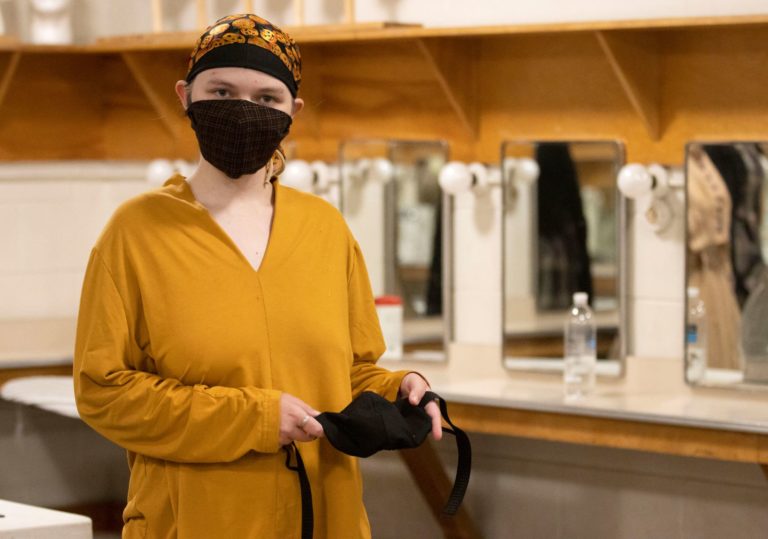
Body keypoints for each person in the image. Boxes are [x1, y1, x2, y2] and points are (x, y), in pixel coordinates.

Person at [73, 13, 441, 538]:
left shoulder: (325, 230)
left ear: (294, 111)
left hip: (323, 520)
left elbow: (350, 373)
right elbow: (102, 392)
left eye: (267, 98)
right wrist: (252, 418)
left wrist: (397, 388)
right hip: (196, 523)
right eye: (221, 91)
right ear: (185, 96)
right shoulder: (135, 233)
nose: (244, 110)